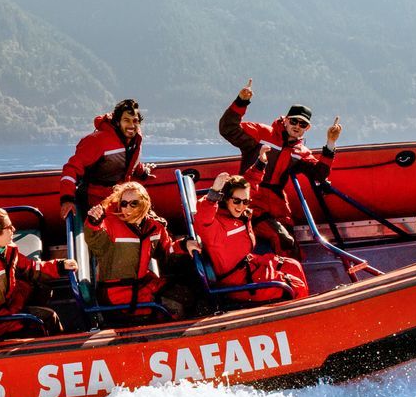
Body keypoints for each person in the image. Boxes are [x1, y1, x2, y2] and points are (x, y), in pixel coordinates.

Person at [218, 78, 343, 252]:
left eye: (302, 124)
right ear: (285, 120)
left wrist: (330, 143)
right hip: (249, 199)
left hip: (277, 204)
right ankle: (280, 276)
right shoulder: (261, 133)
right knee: (283, 239)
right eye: (294, 121)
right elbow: (228, 128)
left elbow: (319, 174)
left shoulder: (301, 152)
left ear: (307, 128)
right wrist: (241, 101)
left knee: (292, 242)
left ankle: (289, 275)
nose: (297, 126)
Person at [0, 207, 77, 356]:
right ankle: (61, 356)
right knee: (49, 317)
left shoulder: (8, 250)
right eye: (8, 227)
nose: (13, 229)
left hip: (13, 305)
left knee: (44, 290)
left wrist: (59, 265)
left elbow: (31, 267)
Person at [190, 173, 308, 303]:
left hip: (249, 264)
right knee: (294, 286)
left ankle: (304, 306)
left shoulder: (239, 214)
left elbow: (249, 187)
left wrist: (261, 164)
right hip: (236, 281)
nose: (241, 206)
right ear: (225, 199)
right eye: (236, 201)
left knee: (293, 265)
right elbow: (202, 219)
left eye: (245, 201)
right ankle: (301, 315)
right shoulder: (215, 225)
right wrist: (213, 194)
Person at [83, 180, 192, 320]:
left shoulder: (155, 226)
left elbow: (166, 251)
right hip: (116, 293)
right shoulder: (109, 224)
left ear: (145, 204)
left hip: (145, 285)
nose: (127, 208)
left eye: (134, 203)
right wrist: (93, 223)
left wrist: (184, 244)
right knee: (165, 312)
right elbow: (95, 241)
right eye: (123, 203)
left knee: (186, 296)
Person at [60, 98, 155, 221]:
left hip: (120, 198)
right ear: (117, 122)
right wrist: (67, 199)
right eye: (126, 120)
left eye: (135, 121)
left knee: (151, 222)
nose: (131, 125)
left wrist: (143, 173)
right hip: (94, 200)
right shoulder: (96, 141)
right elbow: (71, 169)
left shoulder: (134, 138)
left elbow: (130, 161)